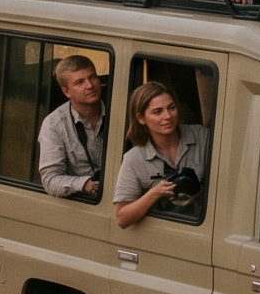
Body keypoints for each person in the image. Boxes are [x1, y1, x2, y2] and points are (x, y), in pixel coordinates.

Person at [114, 81, 209, 228]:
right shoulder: (134, 158)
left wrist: (196, 195)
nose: (168, 116)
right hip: (162, 231)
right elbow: (122, 218)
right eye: (157, 112)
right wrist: (155, 193)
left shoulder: (202, 137)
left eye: (171, 108)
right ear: (141, 118)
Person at [35, 54, 108, 200]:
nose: (90, 85)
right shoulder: (54, 124)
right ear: (66, 92)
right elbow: (50, 180)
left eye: (92, 77)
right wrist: (85, 184)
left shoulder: (120, 110)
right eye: (80, 82)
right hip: (83, 203)